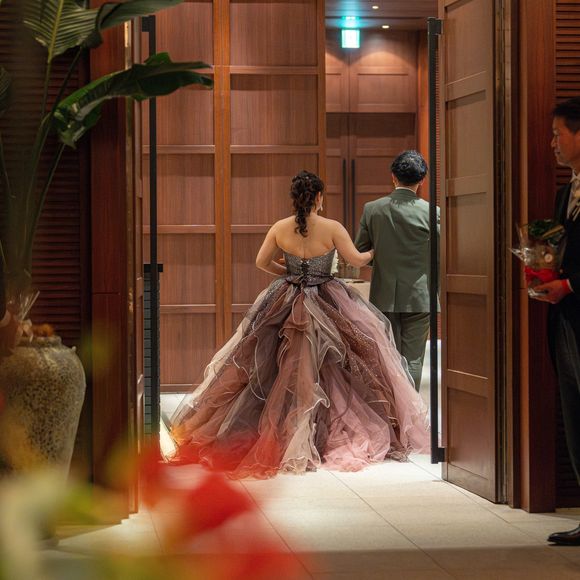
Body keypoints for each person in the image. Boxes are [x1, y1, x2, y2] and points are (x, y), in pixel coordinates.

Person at [169, 170, 429, 478]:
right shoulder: (332, 227)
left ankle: (279, 427)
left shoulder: (280, 227)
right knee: (335, 364)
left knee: (273, 365)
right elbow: (357, 260)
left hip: (287, 296)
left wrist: (287, 272)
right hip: (327, 297)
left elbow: (261, 262)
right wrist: (376, 249)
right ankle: (316, 429)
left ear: (295, 198)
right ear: (319, 197)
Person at [533, 98, 580, 546]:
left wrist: (572, 284)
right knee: (575, 417)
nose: (552, 144)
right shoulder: (567, 193)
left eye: (557, 134)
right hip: (565, 321)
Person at [354, 151, 438, 392]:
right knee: (413, 359)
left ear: (393, 177)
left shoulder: (372, 209)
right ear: (422, 180)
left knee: (387, 355)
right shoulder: (433, 213)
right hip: (420, 296)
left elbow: (361, 250)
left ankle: (392, 407)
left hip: (384, 293)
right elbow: (441, 254)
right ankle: (410, 407)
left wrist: (383, 262)